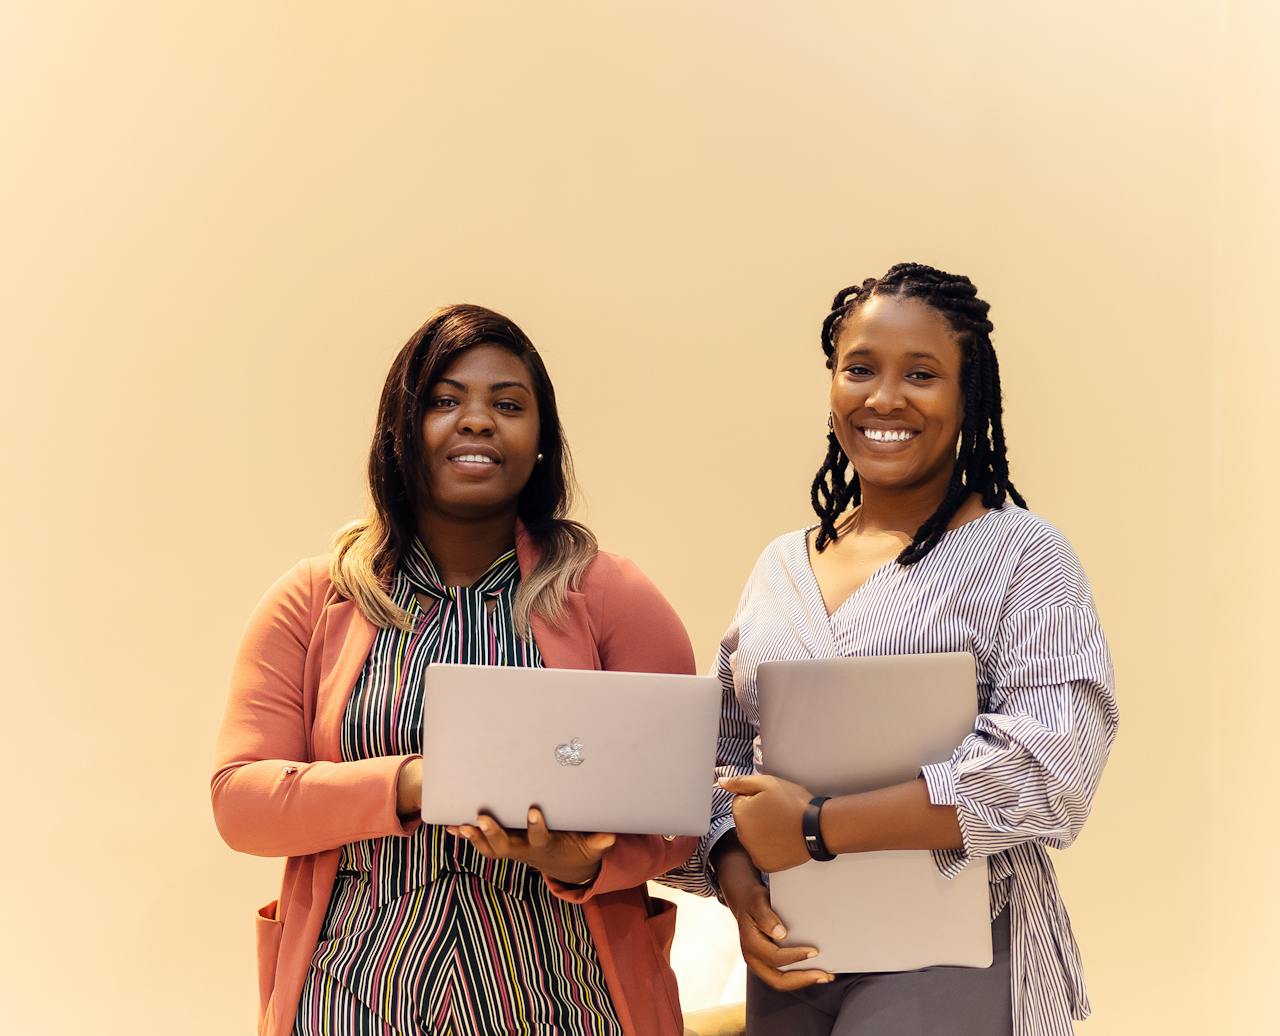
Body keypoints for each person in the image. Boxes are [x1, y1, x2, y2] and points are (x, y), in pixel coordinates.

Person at [212, 304, 697, 1036]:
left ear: (541, 443)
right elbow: (241, 801)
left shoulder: (611, 595)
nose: (477, 421)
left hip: (565, 995)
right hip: (352, 990)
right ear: (399, 433)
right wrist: (413, 782)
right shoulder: (314, 598)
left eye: (508, 405)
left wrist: (575, 863)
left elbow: (675, 811)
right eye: (444, 401)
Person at [666, 263, 1118, 1036]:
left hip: (956, 951)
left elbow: (1054, 769)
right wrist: (743, 893)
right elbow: (721, 757)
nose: (884, 399)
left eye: (921, 374)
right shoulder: (780, 566)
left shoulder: (1024, 555)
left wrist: (818, 826)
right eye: (860, 369)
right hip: (797, 954)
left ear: (967, 397)